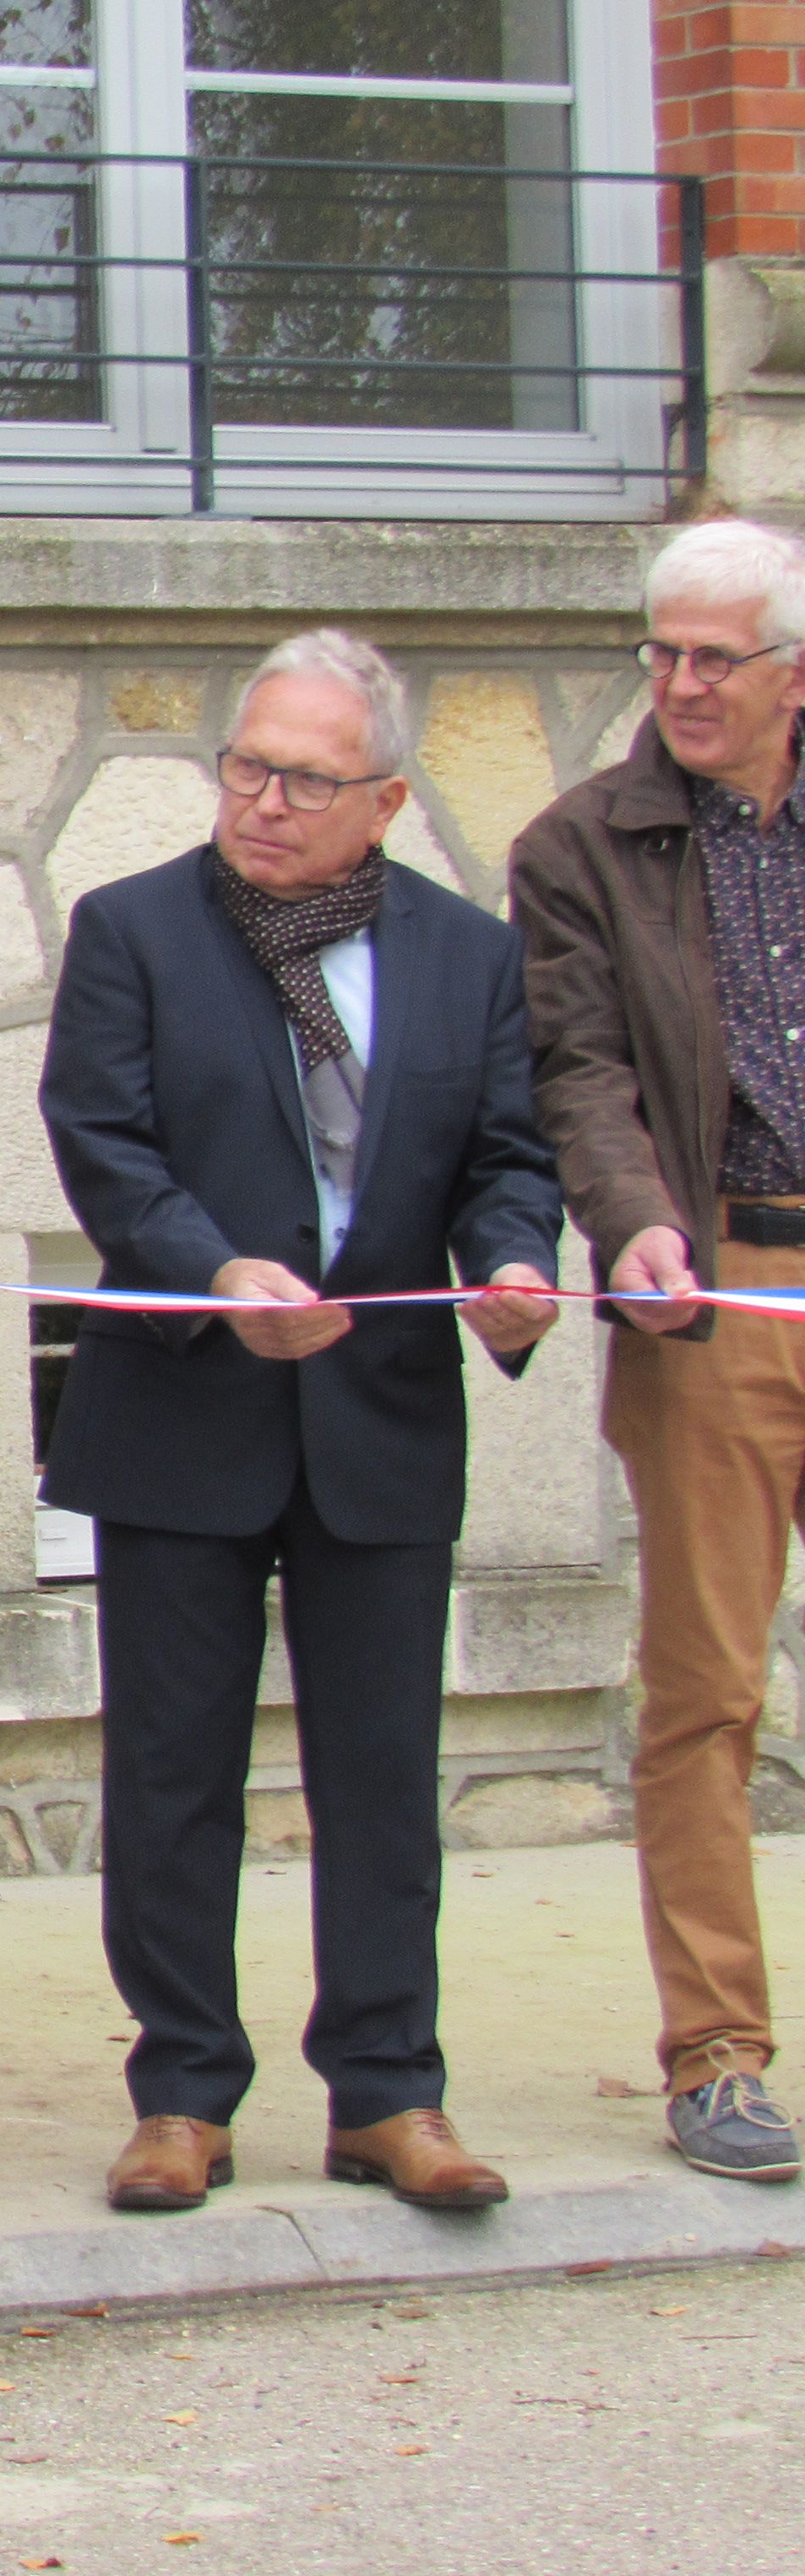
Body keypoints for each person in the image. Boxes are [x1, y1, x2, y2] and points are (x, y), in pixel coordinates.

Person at [41, 632, 561, 2217]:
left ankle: (390, 2091)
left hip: (381, 1415)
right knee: (176, 1769)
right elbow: (104, 1146)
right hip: (188, 1405)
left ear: (386, 799)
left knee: (386, 1773)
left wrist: (517, 1261)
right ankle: (184, 2090)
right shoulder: (134, 929)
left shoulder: (470, 956)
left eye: (306, 780)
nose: (263, 803)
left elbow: (505, 1156)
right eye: (247, 766)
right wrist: (215, 1270)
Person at [511, 516, 805, 2182]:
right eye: (662, 655)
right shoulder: (584, 847)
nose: (682, 687)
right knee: (706, 1694)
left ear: (791, 674)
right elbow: (582, 1070)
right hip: (714, 1297)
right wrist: (630, 1223)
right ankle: (715, 2054)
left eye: (715, 660)